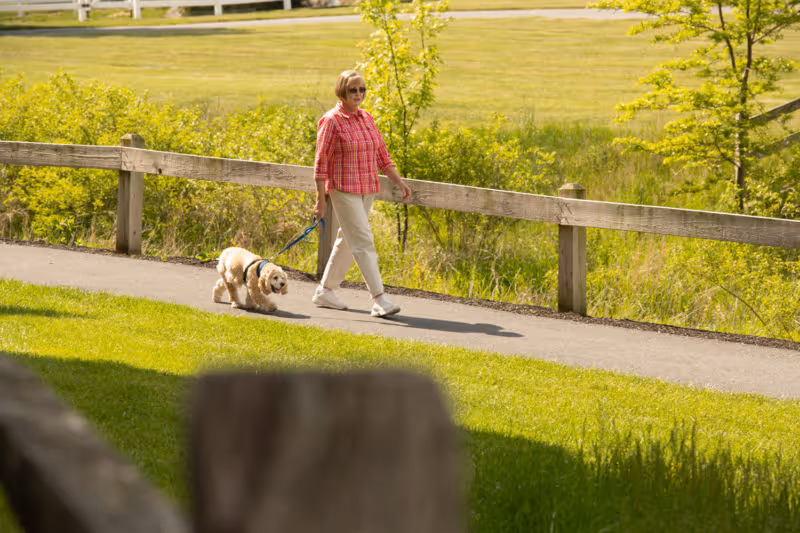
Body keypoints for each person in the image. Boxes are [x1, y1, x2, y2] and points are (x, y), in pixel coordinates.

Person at [311, 69, 412, 317]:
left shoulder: (367, 118)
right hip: (343, 190)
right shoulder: (331, 120)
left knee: (348, 241)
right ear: (342, 92)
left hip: (367, 189)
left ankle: (325, 291)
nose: (358, 94)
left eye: (362, 89)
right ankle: (379, 299)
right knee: (364, 241)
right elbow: (321, 163)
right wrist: (320, 201)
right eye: (352, 90)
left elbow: (382, 156)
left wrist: (399, 182)